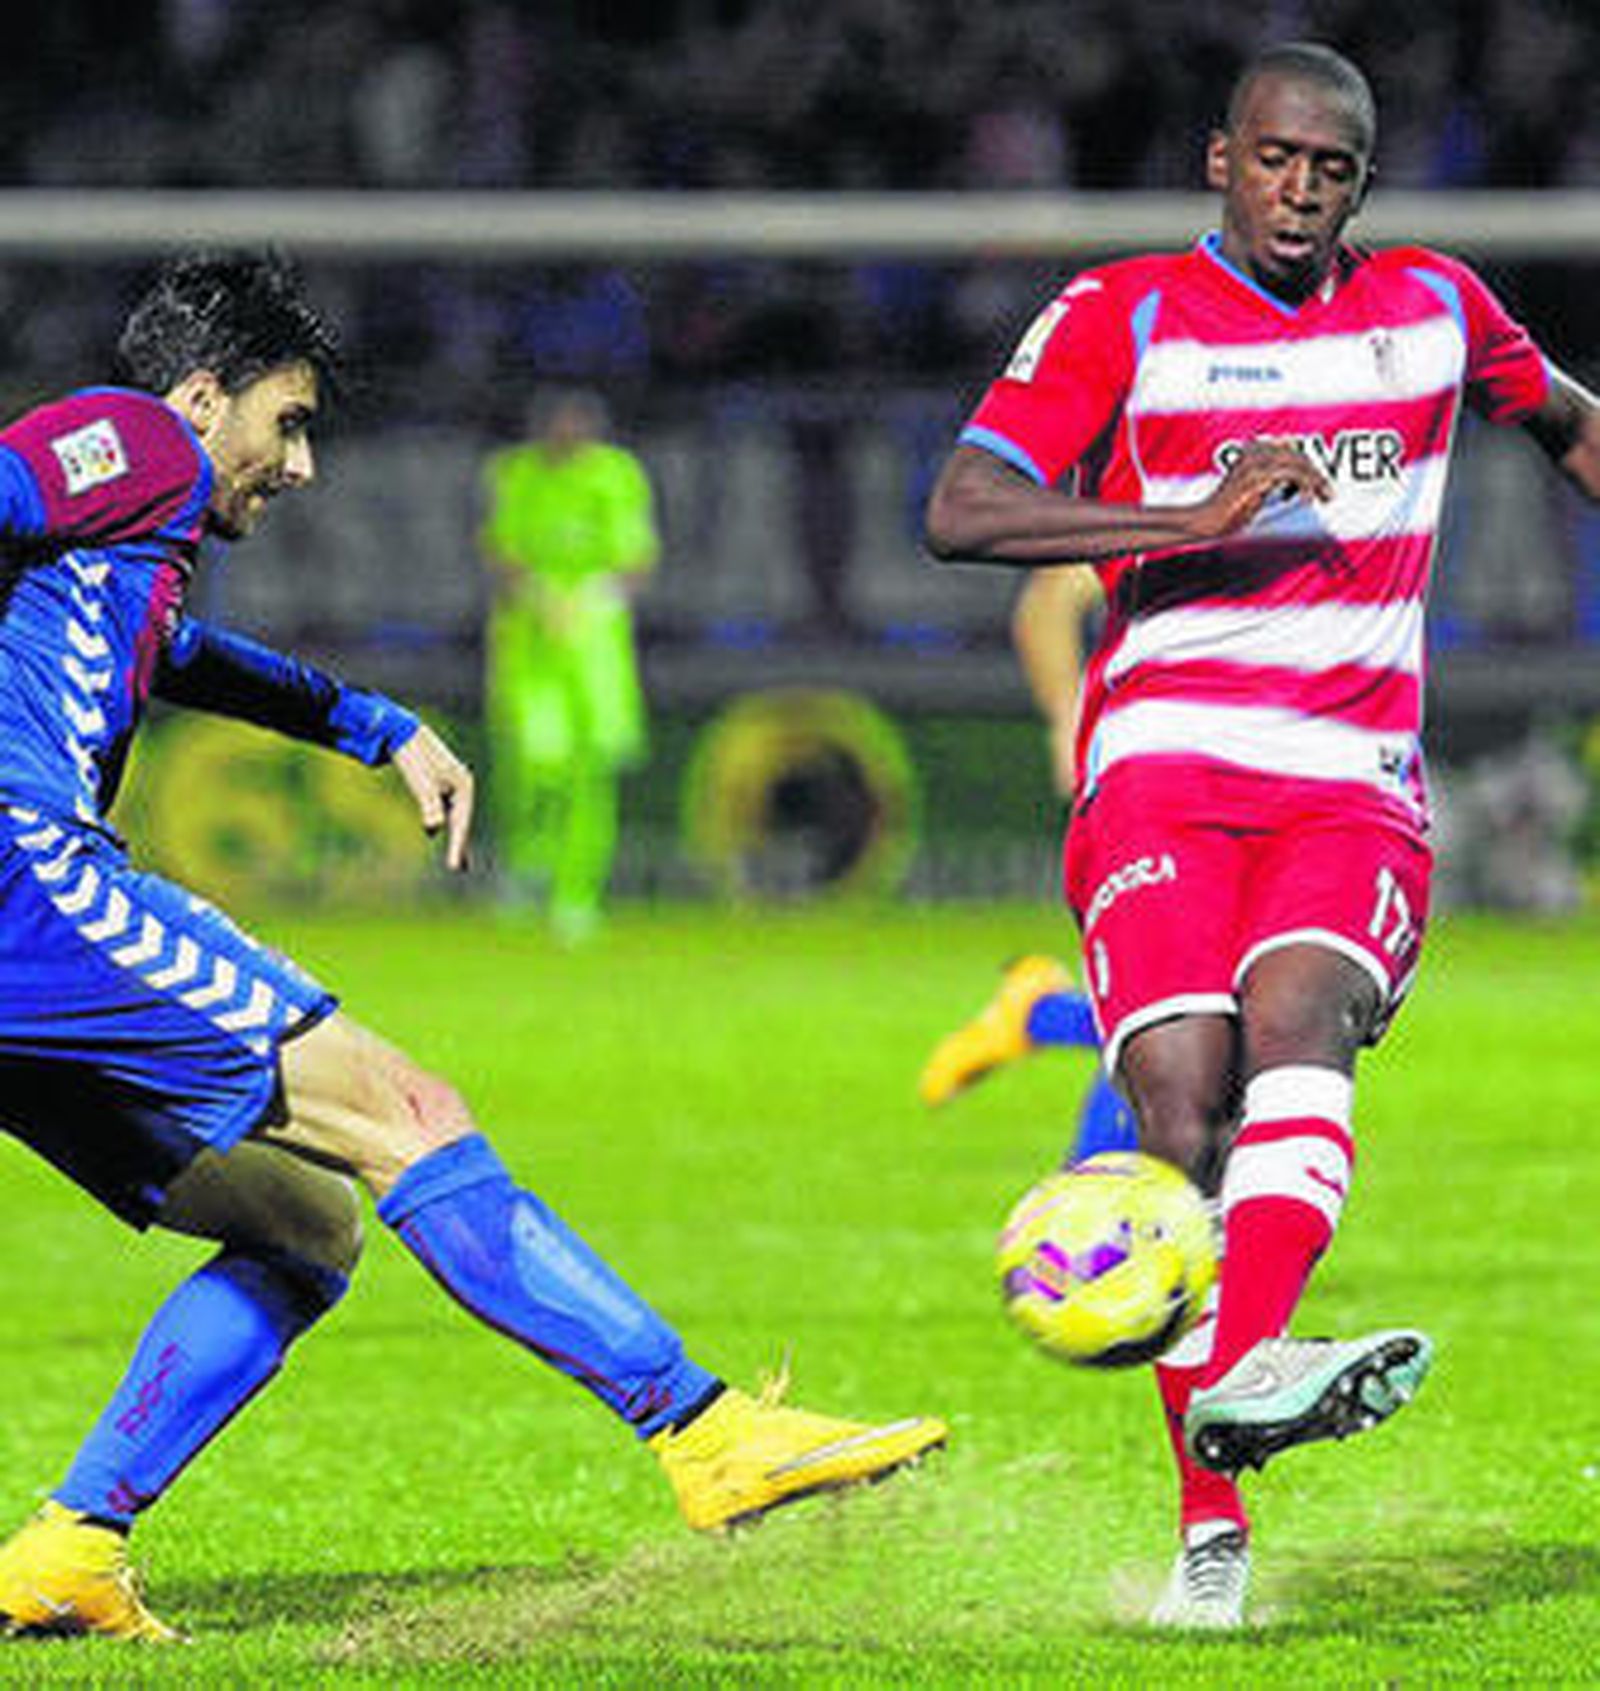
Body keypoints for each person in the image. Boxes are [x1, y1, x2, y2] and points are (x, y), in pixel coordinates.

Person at [0, 252, 946, 1644]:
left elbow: (182, 656)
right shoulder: (133, 437)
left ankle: (72, 1546)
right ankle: (706, 1427)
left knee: (302, 1223)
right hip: (31, 887)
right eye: (288, 418)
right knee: (411, 1113)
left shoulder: (122, 551)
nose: (302, 463)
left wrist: (371, 722)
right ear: (202, 398)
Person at [924, 40, 1600, 1629]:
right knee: (1176, 1119)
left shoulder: (1434, 308)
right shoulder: (1122, 314)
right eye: (1276, 158)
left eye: (1335, 168)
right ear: (1218, 158)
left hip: (1350, 773)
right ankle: (1216, 1524)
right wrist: (1191, 519)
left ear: (1363, 182)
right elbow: (963, 505)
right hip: (1158, 765)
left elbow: (1566, 418)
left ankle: (1236, 1389)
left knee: (1303, 1019)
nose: (1301, 191)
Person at [918, 568, 1137, 1163]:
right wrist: (1069, 720)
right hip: (1151, 773)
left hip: (1280, 774)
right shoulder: (1186, 491)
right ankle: (1088, 1220)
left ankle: (1041, 1012)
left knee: (1231, 1009)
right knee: (1181, 1008)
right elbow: (1049, 602)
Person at [480, 387, 658, 941]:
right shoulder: (515, 473)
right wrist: (539, 595)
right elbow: (500, 550)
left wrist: (591, 598)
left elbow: (636, 560)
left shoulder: (617, 474)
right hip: (531, 641)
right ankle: (526, 864)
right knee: (535, 763)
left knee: (591, 769)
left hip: (596, 645)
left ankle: (576, 893)